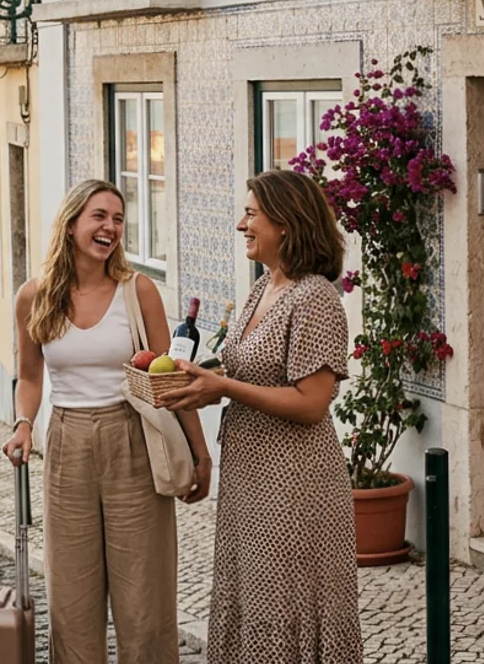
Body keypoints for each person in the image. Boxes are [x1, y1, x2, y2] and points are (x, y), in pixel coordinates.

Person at [2, 179, 211, 664]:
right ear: (72, 222)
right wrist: (22, 424)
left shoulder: (138, 292)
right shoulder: (34, 297)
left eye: (118, 218)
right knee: (71, 595)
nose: (110, 227)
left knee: (145, 594)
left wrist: (201, 456)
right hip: (67, 442)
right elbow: (30, 378)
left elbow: (171, 380)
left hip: (132, 438)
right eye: (99, 216)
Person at [159, 169, 363, 664]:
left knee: (284, 602)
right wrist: (205, 387)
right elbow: (254, 376)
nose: (240, 225)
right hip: (250, 478)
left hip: (293, 484)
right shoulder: (262, 288)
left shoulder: (314, 297)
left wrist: (225, 386)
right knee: (253, 599)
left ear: (286, 223)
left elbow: (312, 402)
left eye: (251, 214)